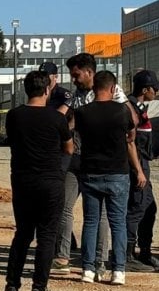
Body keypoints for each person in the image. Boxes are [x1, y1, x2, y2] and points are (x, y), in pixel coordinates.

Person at [52, 53, 130, 274]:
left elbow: (129, 119)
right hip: (75, 160)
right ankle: (63, 256)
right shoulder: (76, 95)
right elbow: (61, 117)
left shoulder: (111, 93)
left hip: (99, 164)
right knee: (65, 207)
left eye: (76, 75)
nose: (74, 79)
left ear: (89, 72)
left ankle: (99, 261)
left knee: (100, 216)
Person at [1, 70, 73, 291]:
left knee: (22, 234)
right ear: (46, 90)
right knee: (47, 236)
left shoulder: (14, 116)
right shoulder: (56, 118)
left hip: (22, 181)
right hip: (50, 182)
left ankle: (11, 288)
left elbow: (11, 140)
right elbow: (69, 148)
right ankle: (39, 289)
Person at [75, 70, 145, 285]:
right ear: (114, 89)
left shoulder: (82, 112)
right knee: (118, 223)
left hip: (90, 172)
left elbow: (75, 132)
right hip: (117, 173)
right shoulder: (121, 111)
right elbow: (133, 129)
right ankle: (119, 271)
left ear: (94, 87)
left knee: (91, 222)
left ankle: (87, 269)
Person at [127, 70, 159, 271]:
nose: (156, 92)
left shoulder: (139, 107)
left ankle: (145, 251)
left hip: (143, 164)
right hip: (137, 165)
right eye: (154, 88)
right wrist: (138, 170)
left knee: (149, 208)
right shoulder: (131, 108)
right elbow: (130, 142)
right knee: (136, 208)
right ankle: (127, 254)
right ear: (145, 89)